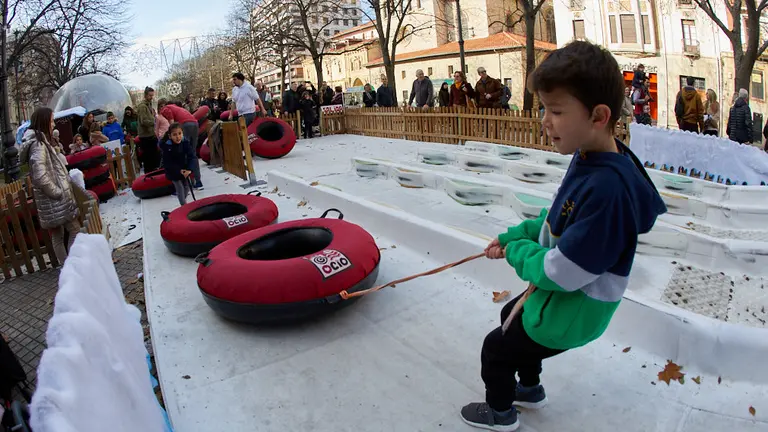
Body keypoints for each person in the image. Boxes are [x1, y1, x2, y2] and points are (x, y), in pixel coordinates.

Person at [459, 40, 666, 431]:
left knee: (496, 348)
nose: (544, 121)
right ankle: (530, 388)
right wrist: (516, 233)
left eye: (555, 111)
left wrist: (517, 251)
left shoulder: (608, 191)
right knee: (510, 313)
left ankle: (501, 412)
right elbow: (559, 217)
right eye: (543, 109)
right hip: (565, 298)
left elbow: (561, 272)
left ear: (599, 116)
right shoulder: (590, 156)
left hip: (575, 308)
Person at [20, 107, 82, 264]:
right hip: (55, 199)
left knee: (58, 234)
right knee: (73, 230)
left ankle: (66, 268)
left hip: (50, 200)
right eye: (52, 120)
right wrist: (58, 192)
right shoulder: (38, 144)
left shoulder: (39, 141)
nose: (53, 124)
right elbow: (40, 175)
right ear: (44, 121)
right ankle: (71, 266)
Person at [158, 98, 203, 190]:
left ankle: (185, 182)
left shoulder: (165, 109)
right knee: (192, 154)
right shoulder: (177, 107)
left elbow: (172, 126)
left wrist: (168, 136)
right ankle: (198, 181)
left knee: (182, 153)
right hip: (194, 123)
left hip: (185, 125)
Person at [160, 122, 196, 206]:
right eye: (174, 135)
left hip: (185, 169)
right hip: (174, 172)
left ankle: (183, 201)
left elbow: (192, 157)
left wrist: (189, 169)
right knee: (180, 187)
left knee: (186, 188)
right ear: (170, 136)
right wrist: (179, 170)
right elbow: (168, 162)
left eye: (179, 134)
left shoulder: (185, 143)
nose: (178, 137)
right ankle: (184, 206)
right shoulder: (168, 147)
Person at [137, 86, 161, 172]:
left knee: (154, 156)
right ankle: (149, 174)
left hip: (151, 133)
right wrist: (154, 122)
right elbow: (143, 121)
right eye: (150, 95)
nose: (151, 97)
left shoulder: (149, 105)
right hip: (145, 136)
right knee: (148, 158)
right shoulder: (143, 107)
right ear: (145, 95)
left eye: (152, 95)